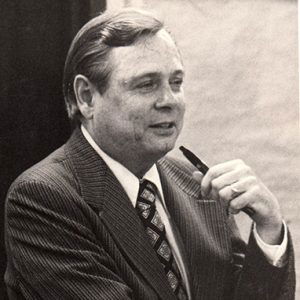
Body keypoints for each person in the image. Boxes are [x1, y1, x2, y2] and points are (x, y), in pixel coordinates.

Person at [4, 8, 295, 300]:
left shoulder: (198, 184)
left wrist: (269, 229)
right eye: (146, 84)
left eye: (176, 82)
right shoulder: (43, 197)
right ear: (86, 97)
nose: (169, 101)